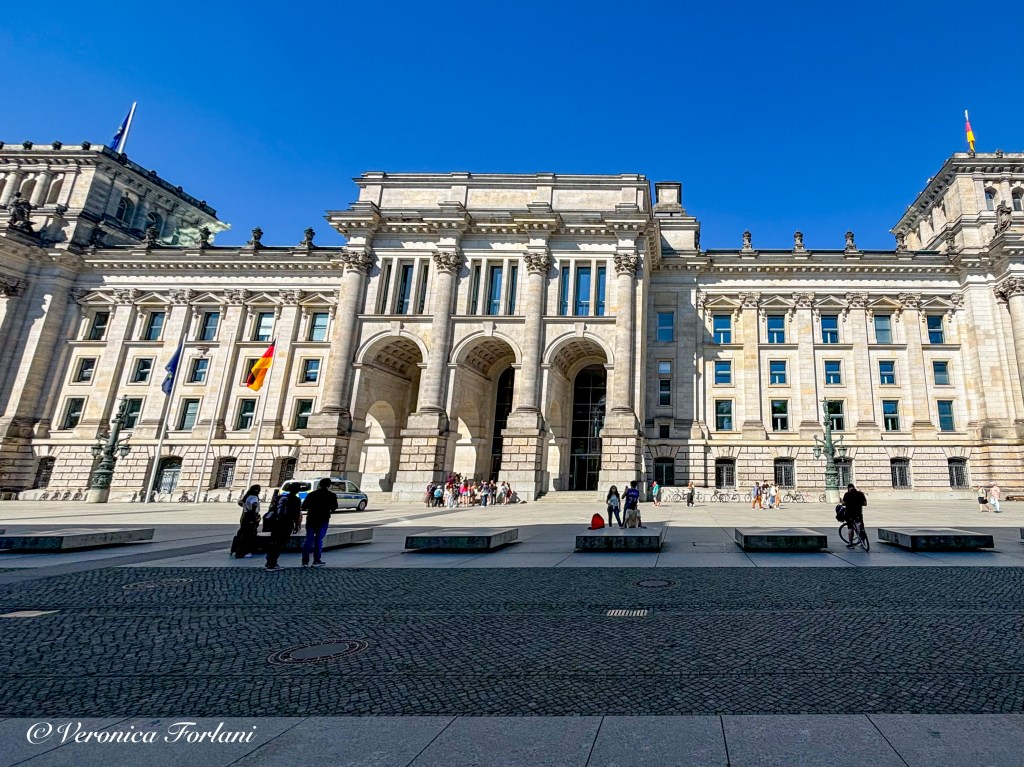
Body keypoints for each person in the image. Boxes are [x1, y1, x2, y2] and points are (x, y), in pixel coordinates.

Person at [301, 478, 339, 567]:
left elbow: (304, 506)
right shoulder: (331, 495)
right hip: (323, 519)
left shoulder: (311, 494)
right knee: (318, 540)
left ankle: (305, 562)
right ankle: (316, 560)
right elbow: (334, 507)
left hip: (311, 519)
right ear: (328, 485)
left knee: (308, 540)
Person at [265, 489, 302, 571]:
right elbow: (296, 514)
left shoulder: (280, 497)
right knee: (279, 543)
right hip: (286, 523)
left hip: (276, 523)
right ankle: (272, 564)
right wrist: (297, 525)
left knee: (273, 541)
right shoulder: (296, 500)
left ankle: (269, 561)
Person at [233, 484, 262, 559]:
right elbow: (254, 507)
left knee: (242, 533)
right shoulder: (254, 497)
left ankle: (237, 550)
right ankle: (243, 552)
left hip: (244, 516)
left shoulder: (247, 496)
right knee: (248, 535)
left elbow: (241, 503)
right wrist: (255, 517)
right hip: (250, 517)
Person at [840, 483, 868, 549]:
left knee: (850, 528)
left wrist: (843, 502)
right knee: (861, 527)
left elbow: (843, 503)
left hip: (849, 514)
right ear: (854, 487)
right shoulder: (860, 494)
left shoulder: (847, 494)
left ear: (848, 488)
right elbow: (865, 503)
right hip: (858, 513)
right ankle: (862, 543)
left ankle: (850, 543)